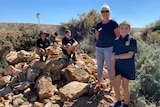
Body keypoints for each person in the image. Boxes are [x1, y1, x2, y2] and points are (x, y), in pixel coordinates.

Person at [110, 21, 137, 107]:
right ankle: (118, 102)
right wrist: (113, 69)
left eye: (126, 28)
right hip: (118, 67)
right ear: (119, 29)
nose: (124, 30)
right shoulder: (116, 41)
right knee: (116, 85)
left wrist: (117, 57)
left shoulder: (132, 40)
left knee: (125, 86)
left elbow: (130, 54)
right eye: (122, 28)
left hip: (127, 67)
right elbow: (113, 55)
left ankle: (125, 105)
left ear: (129, 29)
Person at [95, 4, 120, 90]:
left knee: (110, 67)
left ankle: (112, 86)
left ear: (109, 12)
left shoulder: (113, 24)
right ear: (100, 13)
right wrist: (102, 43)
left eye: (107, 11)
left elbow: (117, 36)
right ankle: (99, 83)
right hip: (99, 48)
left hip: (110, 48)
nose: (105, 13)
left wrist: (114, 48)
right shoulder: (98, 25)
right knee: (99, 66)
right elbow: (97, 36)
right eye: (103, 11)